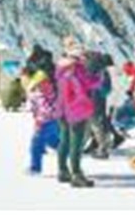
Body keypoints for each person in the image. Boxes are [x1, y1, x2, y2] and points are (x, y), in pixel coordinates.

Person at [55, 36, 102, 188]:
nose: (83, 54)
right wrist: (98, 77)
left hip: (62, 109)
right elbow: (85, 84)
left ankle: (63, 170)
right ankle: (76, 174)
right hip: (76, 109)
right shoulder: (76, 68)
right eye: (80, 51)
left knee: (64, 140)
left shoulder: (61, 67)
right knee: (76, 143)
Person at [21, 57, 60, 175]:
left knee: (36, 145)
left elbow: (43, 103)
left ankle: (35, 168)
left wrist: (39, 119)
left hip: (45, 120)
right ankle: (69, 156)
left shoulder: (43, 82)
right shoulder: (51, 80)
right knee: (53, 141)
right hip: (53, 118)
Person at [84, 50, 114, 159]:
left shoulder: (86, 69)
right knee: (97, 125)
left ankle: (78, 147)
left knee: (89, 125)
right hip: (98, 101)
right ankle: (102, 149)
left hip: (86, 100)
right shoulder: (102, 71)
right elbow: (106, 89)